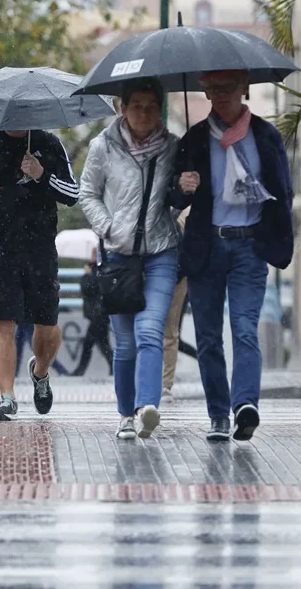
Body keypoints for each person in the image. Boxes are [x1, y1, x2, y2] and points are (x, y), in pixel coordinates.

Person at [171, 70, 294, 442]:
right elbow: (173, 199)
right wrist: (182, 186)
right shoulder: (194, 139)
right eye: (212, 88)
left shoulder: (266, 136)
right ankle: (218, 416)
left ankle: (245, 406)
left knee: (244, 330)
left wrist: (277, 240)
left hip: (249, 248)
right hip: (206, 247)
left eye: (227, 88)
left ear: (245, 89)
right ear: (205, 92)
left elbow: (283, 193)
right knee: (208, 338)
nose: (219, 95)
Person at [78, 77, 181, 440]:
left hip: (161, 253)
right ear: (122, 108)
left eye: (152, 106)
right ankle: (125, 413)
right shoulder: (101, 147)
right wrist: (108, 229)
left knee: (149, 329)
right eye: (136, 105)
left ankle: (147, 407)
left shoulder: (172, 147)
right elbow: (86, 194)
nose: (144, 112)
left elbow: (177, 197)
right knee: (124, 343)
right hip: (119, 257)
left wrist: (186, 188)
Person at [0, 127, 79, 421]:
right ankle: (6, 397)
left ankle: (40, 372)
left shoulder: (49, 143)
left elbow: (73, 194)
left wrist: (41, 174)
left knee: (47, 328)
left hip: (40, 246)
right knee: (3, 322)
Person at [161, 207, 192, 403]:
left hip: (178, 274)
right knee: (154, 331)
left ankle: (165, 385)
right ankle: (156, 382)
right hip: (154, 270)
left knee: (170, 332)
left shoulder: (186, 212)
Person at [74, 247, 113, 377]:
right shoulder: (93, 270)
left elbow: (91, 288)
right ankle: (113, 367)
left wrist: (88, 274)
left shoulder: (100, 270)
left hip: (100, 314)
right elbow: (85, 289)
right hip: (97, 314)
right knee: (103, 345)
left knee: (89, 344)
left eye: (94, 253)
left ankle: (80, 371)